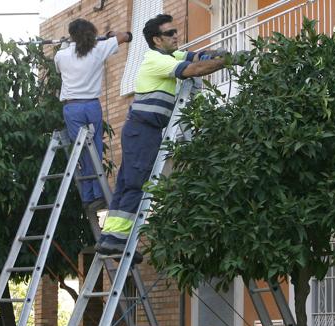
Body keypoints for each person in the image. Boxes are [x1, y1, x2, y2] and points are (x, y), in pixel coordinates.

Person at [95, 14, 238, 260]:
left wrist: (214, 53)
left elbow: (194, 56)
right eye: (170, 33)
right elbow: (193, 69)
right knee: (136, 183)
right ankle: (117, 239)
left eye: (175, 31)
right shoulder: (154, 60)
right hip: (143, 130)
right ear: (156, 40)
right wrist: (226, 61)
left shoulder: (171, 55)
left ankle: (111, 239)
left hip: (144, 130)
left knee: (128, 182)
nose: (176, 36)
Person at [54, 18, 132, 211]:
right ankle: (97, 194)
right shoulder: (99, 49)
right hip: (91, 106)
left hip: (72, 108)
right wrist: (113, 35)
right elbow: (126, 36)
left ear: (72, 35)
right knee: (94, 148)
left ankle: (89, 195)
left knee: (80, 152)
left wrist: (65, 43)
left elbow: (60, 65)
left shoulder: (62, 55)